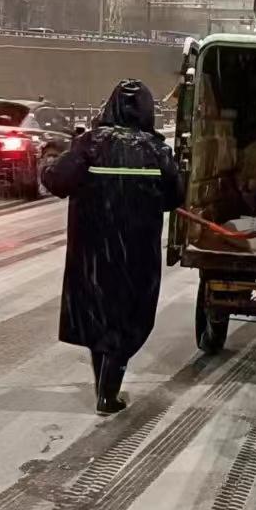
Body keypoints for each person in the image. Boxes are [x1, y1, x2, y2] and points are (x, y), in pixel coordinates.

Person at [43, 79, 184, 414]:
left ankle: (104, 390)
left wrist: (48, 158)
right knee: (128, 319)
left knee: (98, 316)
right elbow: (175, 197)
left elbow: (57, 181)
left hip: (93, 251)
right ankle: (108, 391)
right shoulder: (156, 151)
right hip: (136, 252)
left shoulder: (90, 144)